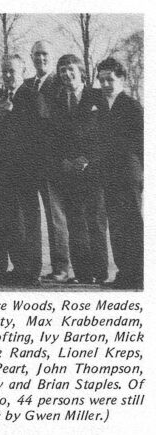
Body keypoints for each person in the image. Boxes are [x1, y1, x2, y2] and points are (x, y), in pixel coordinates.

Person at [50, 54, 108, 286]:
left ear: (81, 71)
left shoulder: (97, 97)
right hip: (68, 172)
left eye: (70, 69)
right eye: (62, 70)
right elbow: (52, 137)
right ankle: (83, 273)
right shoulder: (56, 101)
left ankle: (101, 273)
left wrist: (90, 159)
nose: (66, 74)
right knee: (75, 223)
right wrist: (62, 160)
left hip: (93, 170)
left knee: (95, 221)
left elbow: (105, 133)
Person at [0, 54, 42, 286]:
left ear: (22, 71)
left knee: (27, 222)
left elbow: (38, 133)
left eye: (12, 71)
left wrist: (11, 115)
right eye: (4, 72)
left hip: (26, 172)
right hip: (6, 173)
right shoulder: (2, 98)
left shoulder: (32, 96)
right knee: (12, 222)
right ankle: (20, 266)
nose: (8, 75)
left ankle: (31, 271)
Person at [95, 57, 142, 289]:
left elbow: (143, 144)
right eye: (102, 80)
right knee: (115, 225)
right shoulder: (100, 107)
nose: (105, 84)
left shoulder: (132, 106)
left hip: (128, 174)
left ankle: (139, 274)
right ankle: (124, 273)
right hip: (109, 175)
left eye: (110, 79)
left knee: (132, 223)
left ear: (121, 79)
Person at [26, 40, 70, 282]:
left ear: (50, 57)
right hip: (31, 163)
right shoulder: (28, 85)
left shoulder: (59, 84)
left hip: (52, 162)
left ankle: (61, 267)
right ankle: (32, 267)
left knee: (56, 216)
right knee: (31, 217)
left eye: (45, 54)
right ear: (31, 57)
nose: (41, 58)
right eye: (37, 55)